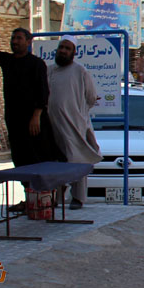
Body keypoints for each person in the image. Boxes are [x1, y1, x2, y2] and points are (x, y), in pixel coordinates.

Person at [0, 13, 63, 167]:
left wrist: (36, 116)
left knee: (39, 155)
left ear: (28, 41)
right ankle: (28, 189)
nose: (15, 41)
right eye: (13, 38)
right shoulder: (8, 61)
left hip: (34, 120)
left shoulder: (37, 64)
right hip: (15, 120)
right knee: (21, 156)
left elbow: (43, 92)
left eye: (19, 38)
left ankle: (43, 190)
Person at [48, 37, 102, 209]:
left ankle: (78, 198)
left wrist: (78, 112)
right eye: (61, 47)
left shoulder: (80, 71)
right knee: (56, 162)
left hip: (74, 124)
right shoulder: (49, 71)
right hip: (53, 125)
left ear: (73, 52)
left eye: (67, 48)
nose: (63, 50)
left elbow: (91, 97)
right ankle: (57, 198)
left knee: (77, 159)